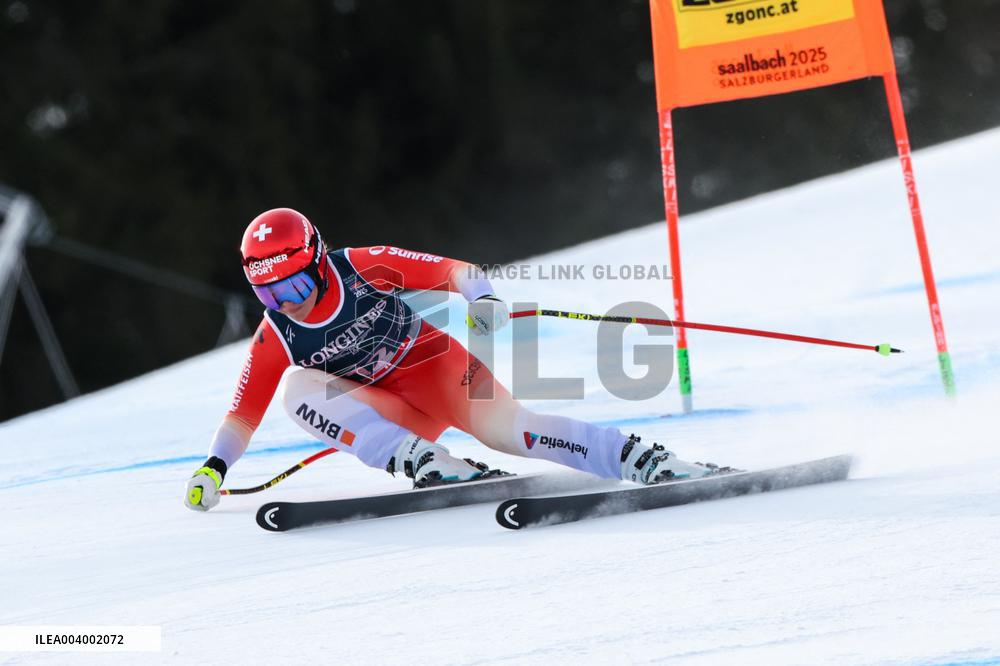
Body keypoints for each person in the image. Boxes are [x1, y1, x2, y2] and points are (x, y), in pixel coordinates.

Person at [185, 208, 717, 511]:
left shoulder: (364, 266)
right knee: (297, 390)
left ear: (319, 262)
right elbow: (242, 413)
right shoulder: (277, 332)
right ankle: (430, 464)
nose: (289, 302)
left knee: (515, 433)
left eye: (295, 284)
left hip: (445, 373)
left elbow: (457, 271)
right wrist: (215, 468)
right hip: (397, 417)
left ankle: (642, 460)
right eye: (270, 294)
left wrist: (482, 300)